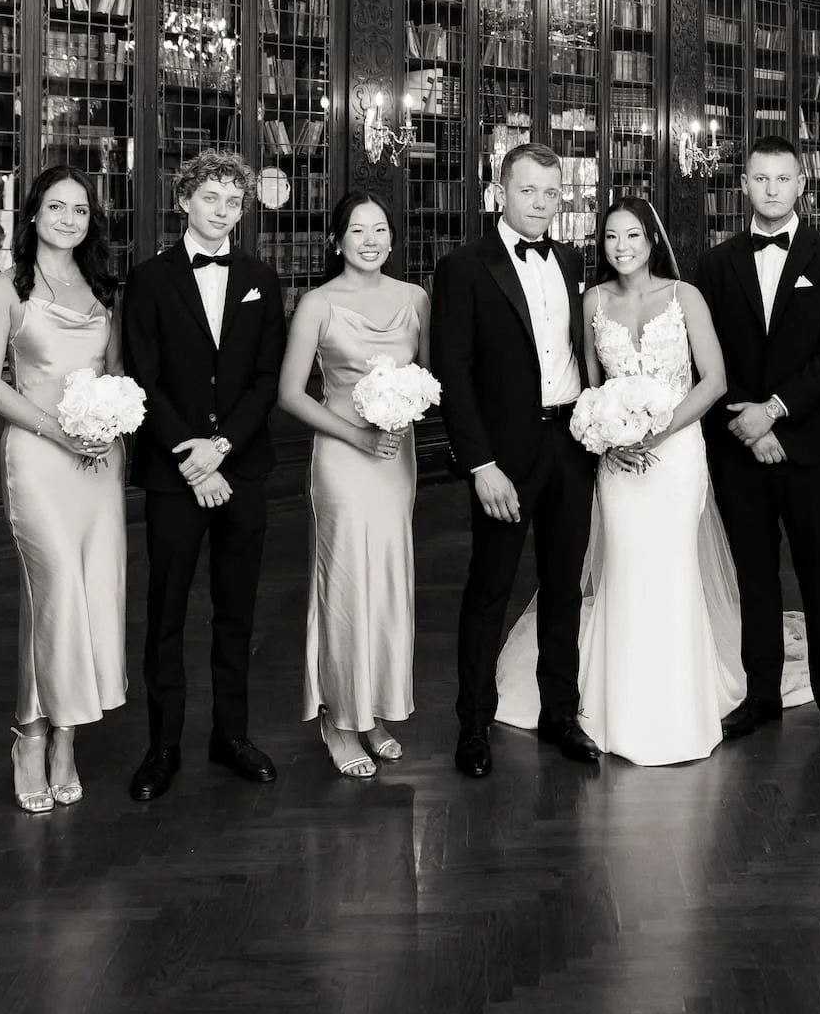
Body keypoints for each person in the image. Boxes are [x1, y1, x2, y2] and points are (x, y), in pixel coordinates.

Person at [494, 196, 744, 764]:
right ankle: (614, 704)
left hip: (675, 455)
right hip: (617, 463)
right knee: (624, 570)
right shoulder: (591, 301)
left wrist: (656, 433)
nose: (622, 247)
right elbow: (587, 383)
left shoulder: (685, 298)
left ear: (651, 240)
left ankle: (678, 706)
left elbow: (715, 381)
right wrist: (607, 436)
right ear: (601, 245)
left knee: (672, 569)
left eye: (632, 236)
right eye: (611, 238)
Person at [118, 148, 287, 800]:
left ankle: (231, 734)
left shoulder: (260, 277)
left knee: (237, 609)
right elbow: (142, 376)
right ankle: (162, 746)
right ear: (184, 198)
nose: (222, 211)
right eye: (211, 197)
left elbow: (267, 375)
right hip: (173, 472)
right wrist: (192, 454)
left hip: (241, 466)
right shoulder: (149, 278)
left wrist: (223, 446)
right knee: (165, 611)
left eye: (233, 201)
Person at [695, 135, 820, 764]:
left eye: (783, 179)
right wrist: (749, 420)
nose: (771, 189)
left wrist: (773, 414)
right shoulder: (713, 266)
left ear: (802, 185)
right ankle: (761, 694)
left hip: (813, 446)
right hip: (738, 445)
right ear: (744, 185)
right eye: (760, 179)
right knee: (755, 577)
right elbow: (705, 355)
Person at [434, 142, 602, 778]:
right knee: (489, 588)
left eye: (552, 194)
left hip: (570, 444)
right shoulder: (464, 265)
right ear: (500, 192)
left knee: (564, 587)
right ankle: (472, 724)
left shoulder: (572, 259)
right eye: (528, 191)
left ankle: (561, 713)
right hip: (504, 455)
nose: (541, 204)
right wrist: (479, 464)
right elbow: (454, 369)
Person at [0, 166, 128, 813]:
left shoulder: (102, 288)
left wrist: (108, 425)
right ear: (32, 213)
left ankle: (66, 736)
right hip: (38, 455)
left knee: (91, 592)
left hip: (99, 461)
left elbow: (116, 374)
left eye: (81, 209)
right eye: (56, 206)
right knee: (55, 587)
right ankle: (29, 734)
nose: (69, 217)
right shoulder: (6, 287)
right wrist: (59, 434)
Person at [276, 190, 430, 780]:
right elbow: (290, 394)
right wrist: (357, 435)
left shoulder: (416, 298)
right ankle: (339, 718)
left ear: (392, 239)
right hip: (343, 455)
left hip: (397, 458)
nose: (371, 240)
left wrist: (405, 409)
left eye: (381, 230)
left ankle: (375, 710)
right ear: (337, 240)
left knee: (389, 577)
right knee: (344, 579)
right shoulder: (317, 303)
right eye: (358, 230)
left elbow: (429, 375)